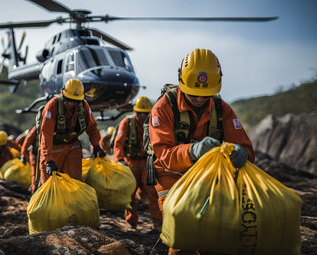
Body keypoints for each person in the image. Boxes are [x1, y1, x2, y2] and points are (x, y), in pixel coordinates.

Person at [149, 49, 255, 255]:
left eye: (205, 94)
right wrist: (193, 150)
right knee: (183, 223)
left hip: (207, 176)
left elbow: (245, 148)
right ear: (181, 81)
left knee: (213, 231)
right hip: (170, 175)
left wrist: (242, 154)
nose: (199, 98)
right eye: (193, 93)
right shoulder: (163, 108)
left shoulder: (222, 109)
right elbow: (164, 157)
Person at [39, 78, 105, 184]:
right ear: (63, 94)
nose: (70, 103)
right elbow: (46, 134)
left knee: (75, 181)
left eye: (74, 101)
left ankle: (73, 200)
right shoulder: (52, 106)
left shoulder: (84, 106)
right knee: (49, 184)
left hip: (72, 146)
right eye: (68, 99)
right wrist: (48, 160)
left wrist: (96, 146)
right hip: (53, 149)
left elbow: (92, 128)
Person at [114, 96, 163, 230]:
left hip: (147, 162)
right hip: (130, 163)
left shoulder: (153, 122)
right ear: (135, 111)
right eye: (139, 112)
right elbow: (118, 143)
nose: (142, 116)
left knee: (153, 192)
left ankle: (158, 222)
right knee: (129, 193)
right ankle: (131, 223)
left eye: (145, 113)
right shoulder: (126, 122)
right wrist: (119, 160)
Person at [20, 125, 39, 194]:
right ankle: (34, 193)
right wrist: (23, 156)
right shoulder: (36, 129)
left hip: (45, 155)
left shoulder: (53, 127)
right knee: (35, 175)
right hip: (34, 154)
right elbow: (26, 143)